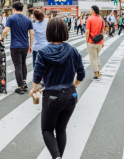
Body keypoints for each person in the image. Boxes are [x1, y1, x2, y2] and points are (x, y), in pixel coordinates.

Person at [31, 17, 85, 159]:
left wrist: (34, 90)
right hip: (70, 96)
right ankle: (59, 156)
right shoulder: (73, 51)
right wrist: (73, 86)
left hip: (52, 96)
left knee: (47, 129)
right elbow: (81, 75)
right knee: (61, 129)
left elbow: (37, 77)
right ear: (65, 31)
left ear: (48, 32)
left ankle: (56, 157)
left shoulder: (43, 52)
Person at [0, 1, 34, 94]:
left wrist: (2, 38)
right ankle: (24, 81)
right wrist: (30, 45)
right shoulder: (28, 19)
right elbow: (32, 33)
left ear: (14, 9)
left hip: (15, 45)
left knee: (18, 66)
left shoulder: (11, 18)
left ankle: (20, 87)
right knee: (23, 63)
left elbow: (5, 30)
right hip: (25, 45)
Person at [85, 5, 105, 81]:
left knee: (93, 58)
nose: (89, 10)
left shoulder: (89, 19)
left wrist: (87, 41)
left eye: (90, 9)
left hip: (92, 42)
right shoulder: (101, 19)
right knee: (96, 56)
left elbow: (87, 32)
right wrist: (103, 42)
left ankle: (96, 75)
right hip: (100, 42)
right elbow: (103, 32)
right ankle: (99, 70)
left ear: (93, 10)